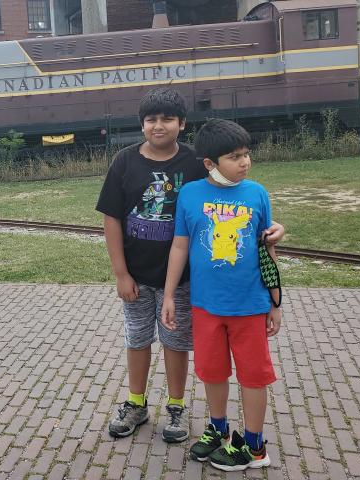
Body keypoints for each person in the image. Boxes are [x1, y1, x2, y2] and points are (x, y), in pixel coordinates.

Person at [95, 89, 284, 442]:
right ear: (142, 124)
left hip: (183, 280)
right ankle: (136, 402)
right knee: (137, 339)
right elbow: (111, 219)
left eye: (168, 118)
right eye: (151, 119)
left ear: (182, 124)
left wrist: (272, 228)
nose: (159, 125)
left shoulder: (197, 161)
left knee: (175, 341)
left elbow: (233, 194)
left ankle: (177, 407)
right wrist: (120, 273)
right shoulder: (124, 161)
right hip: (136, 276)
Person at [161, 118, 281, 471]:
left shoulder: (256, 193)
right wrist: (169, 295)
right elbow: (179, 247)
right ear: (210, 163)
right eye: (235, 156)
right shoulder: (191, 194)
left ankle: (256, 447)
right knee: (213, 372)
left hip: (249, 305)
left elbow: (267, 250)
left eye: (247, 154)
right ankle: (219, 429)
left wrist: (276, 303)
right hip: (206, 306)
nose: (245, 162)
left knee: (253, 376)